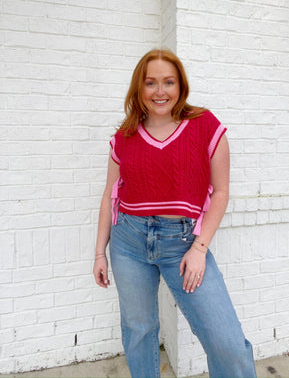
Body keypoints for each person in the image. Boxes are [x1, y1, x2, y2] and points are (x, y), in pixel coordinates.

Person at [93, 49, 257, 378]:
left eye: (168, 82)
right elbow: (110, 197)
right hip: (128, 243)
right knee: (139, 332)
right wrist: (100, 252)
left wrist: (199, 248)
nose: (160, 91)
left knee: (226, 342)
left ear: (180, 86)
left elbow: (221, 191)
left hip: (184, 244)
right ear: (139, 88)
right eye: (150, 82)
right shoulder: (123, 138)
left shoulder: (205, 126)